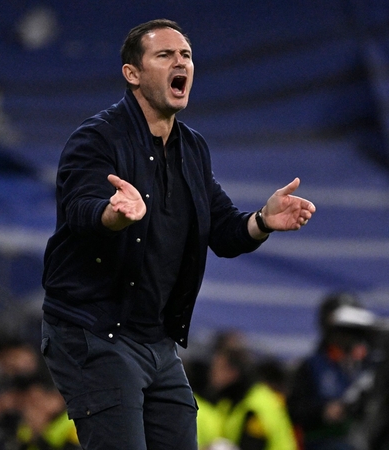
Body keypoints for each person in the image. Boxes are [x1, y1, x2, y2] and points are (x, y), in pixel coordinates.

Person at [40, 19, 315, 450]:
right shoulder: (96, 138)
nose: (180, 61)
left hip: (157, 341)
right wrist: (115, 216)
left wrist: (263, 219)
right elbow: (80, 210)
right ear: (132, 73)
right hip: (95, 331)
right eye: (164, 55)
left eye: (185, 54)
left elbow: (222, 229)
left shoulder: (193, 149)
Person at [287, 293, 376, 450]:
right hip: (324, 442)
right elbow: (293, 410)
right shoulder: (312, 366)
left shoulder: (369, 365)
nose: (348, 335)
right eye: (342, 327)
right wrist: (324, 412)